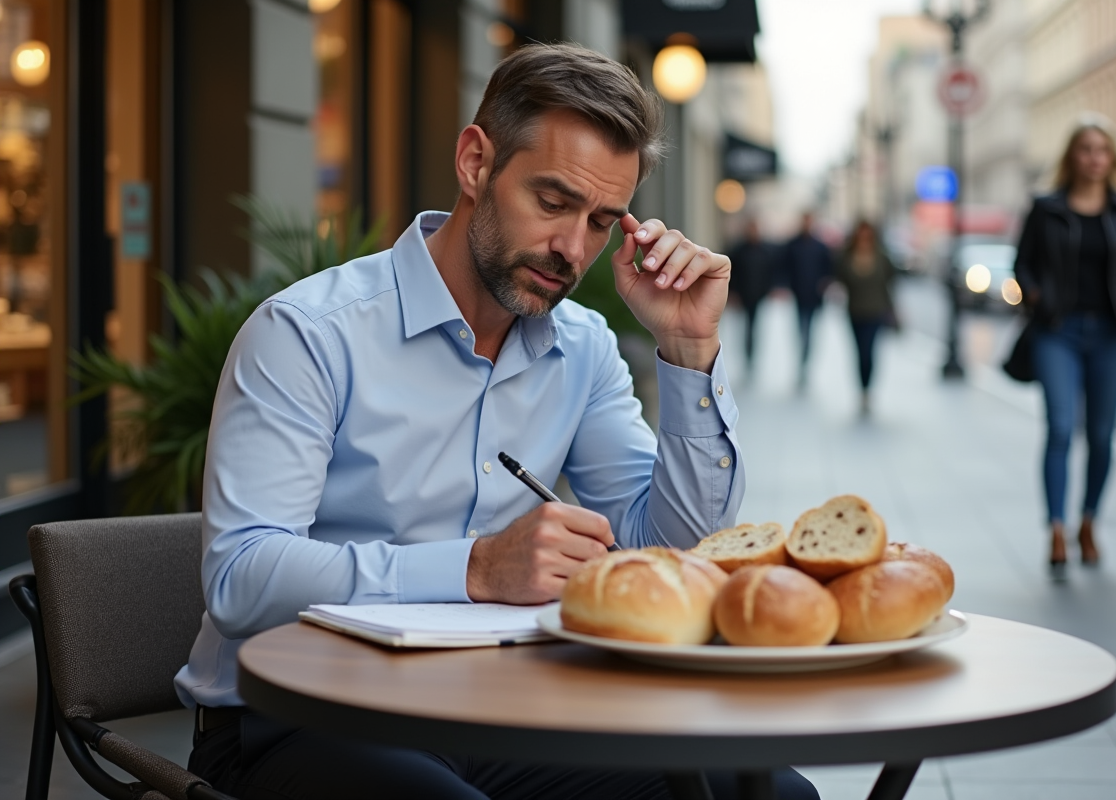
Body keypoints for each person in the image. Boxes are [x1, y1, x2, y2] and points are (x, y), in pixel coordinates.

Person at [175, 43, 819, 800]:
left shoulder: (582, 348)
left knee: (770, 793)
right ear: (476, 163)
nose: (572, 249)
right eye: (552, 202)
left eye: (602, 221)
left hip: (505, 712)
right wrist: (477, 568)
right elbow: (243, 577)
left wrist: (685, 349)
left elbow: (667, 551)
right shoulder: (310, 333)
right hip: (297, 720)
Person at [1013, 114, 1116, 580]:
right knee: (1059, 427)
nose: (1094, 158)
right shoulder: (1046, 207)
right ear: (1071, 156)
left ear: (1111, 157)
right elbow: (1023, 264)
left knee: (1100, 436)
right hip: (1059, 332)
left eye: (1102, 150)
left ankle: (1088, 521)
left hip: (1112, 334)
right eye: (1085, 149)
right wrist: (1036, 294)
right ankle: (1056, 528)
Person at [836, 220, 896, 414]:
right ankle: (862, 389)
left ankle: (867, 391)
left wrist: (893, 309)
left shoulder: (881, 257)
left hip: (876, 310)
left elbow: (890, 283)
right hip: (854, 311)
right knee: (859, 352)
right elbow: (839, 278)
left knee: (869, 352)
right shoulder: (848, 256)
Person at [779, 212, 833, 384]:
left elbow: (828, 269)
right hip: (799, 295)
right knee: (802, 330)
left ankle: (806, 360)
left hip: (815, 297)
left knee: (809, 331)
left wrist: (825, 284)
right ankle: (803, 359)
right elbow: (785, 267)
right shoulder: (793, 245)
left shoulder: (820, 246)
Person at [727, 218, 779, 368]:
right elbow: (732, 273)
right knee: (746, 327)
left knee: (754, 326)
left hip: (758, 295)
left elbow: (770, 272)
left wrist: (769, 289)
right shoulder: (738, 250)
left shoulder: (765, 250)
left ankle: (751, 354)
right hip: (744, 294)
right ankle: (747, 354)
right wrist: (733, 292)